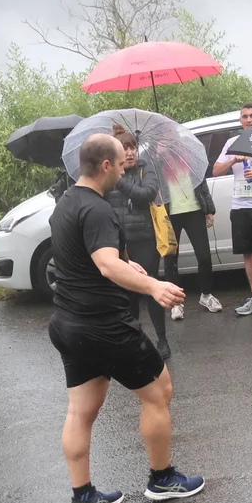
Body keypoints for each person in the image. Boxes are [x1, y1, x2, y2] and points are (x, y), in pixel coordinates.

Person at [47, 134, 204, 503]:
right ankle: (162, 479)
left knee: (79, 411)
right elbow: (105, 265)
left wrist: (126, 263)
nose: (123, 170)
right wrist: (153, 285)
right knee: (159, 392)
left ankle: (83, 497)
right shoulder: (98, 209)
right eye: (119, 164)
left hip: (68, 323)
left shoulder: (66, 202)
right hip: (104, 325)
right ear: (105, 166)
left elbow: (85, 257)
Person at [107, 125, 172, 360]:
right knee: (128, 295)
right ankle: (134, 341)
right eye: (124, 148)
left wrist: (119, 181)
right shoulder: (108, 174)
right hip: (119, 244)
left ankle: (162, 340)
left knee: (151, 289)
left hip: (145, 239)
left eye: (132, 147)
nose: (130, 153)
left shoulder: (146, 168)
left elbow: (146, 195)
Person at [213, 103, 252, 316]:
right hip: (240, 206)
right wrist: (233, 159)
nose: (248, 120)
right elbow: (216, 171)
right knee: (248, 254)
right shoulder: (233, 143)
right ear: (240, 120)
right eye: (245, 116)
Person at [164, 175, 219, 319]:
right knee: (171, 259)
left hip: (195, 211)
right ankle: (175, 303)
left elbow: (202, 185)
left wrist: (209, 210)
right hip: (169, 213)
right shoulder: (159, 165)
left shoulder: (191, 163)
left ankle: (206, 295)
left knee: (204, 256)